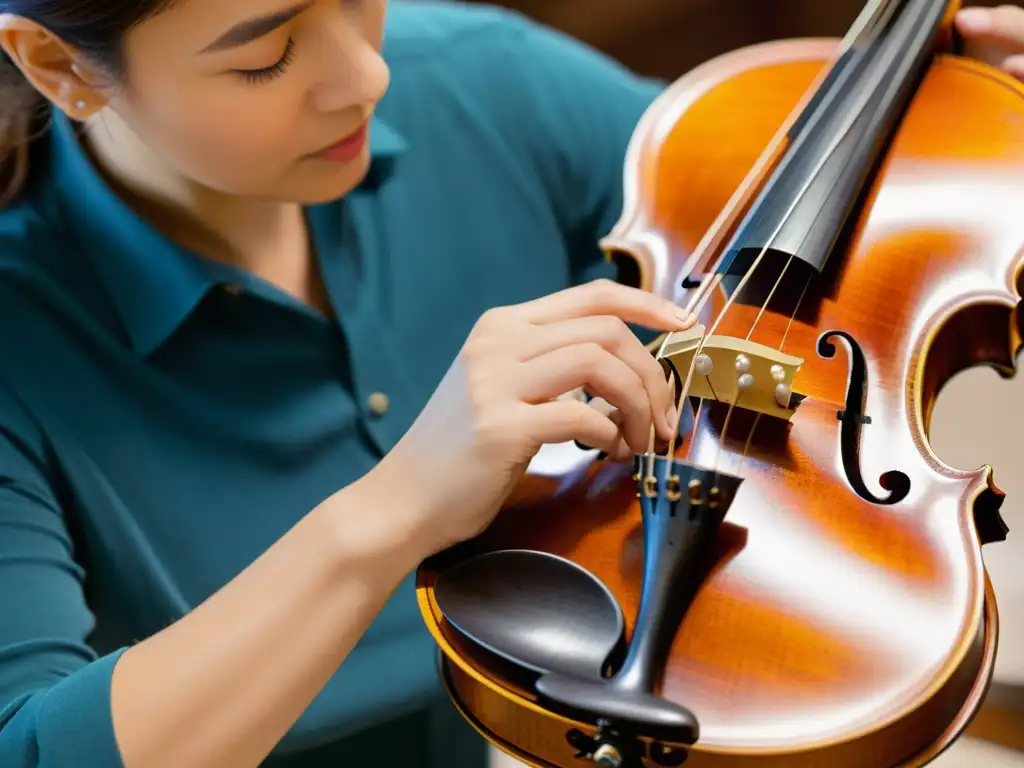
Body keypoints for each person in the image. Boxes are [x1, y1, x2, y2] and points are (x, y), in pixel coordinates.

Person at [0, 2, 1019, 768]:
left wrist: (954, 117)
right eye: (266, 56)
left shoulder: (483, 77)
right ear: (57, 65)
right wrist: (395, 509)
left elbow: (794, 248)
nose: (365, 77)